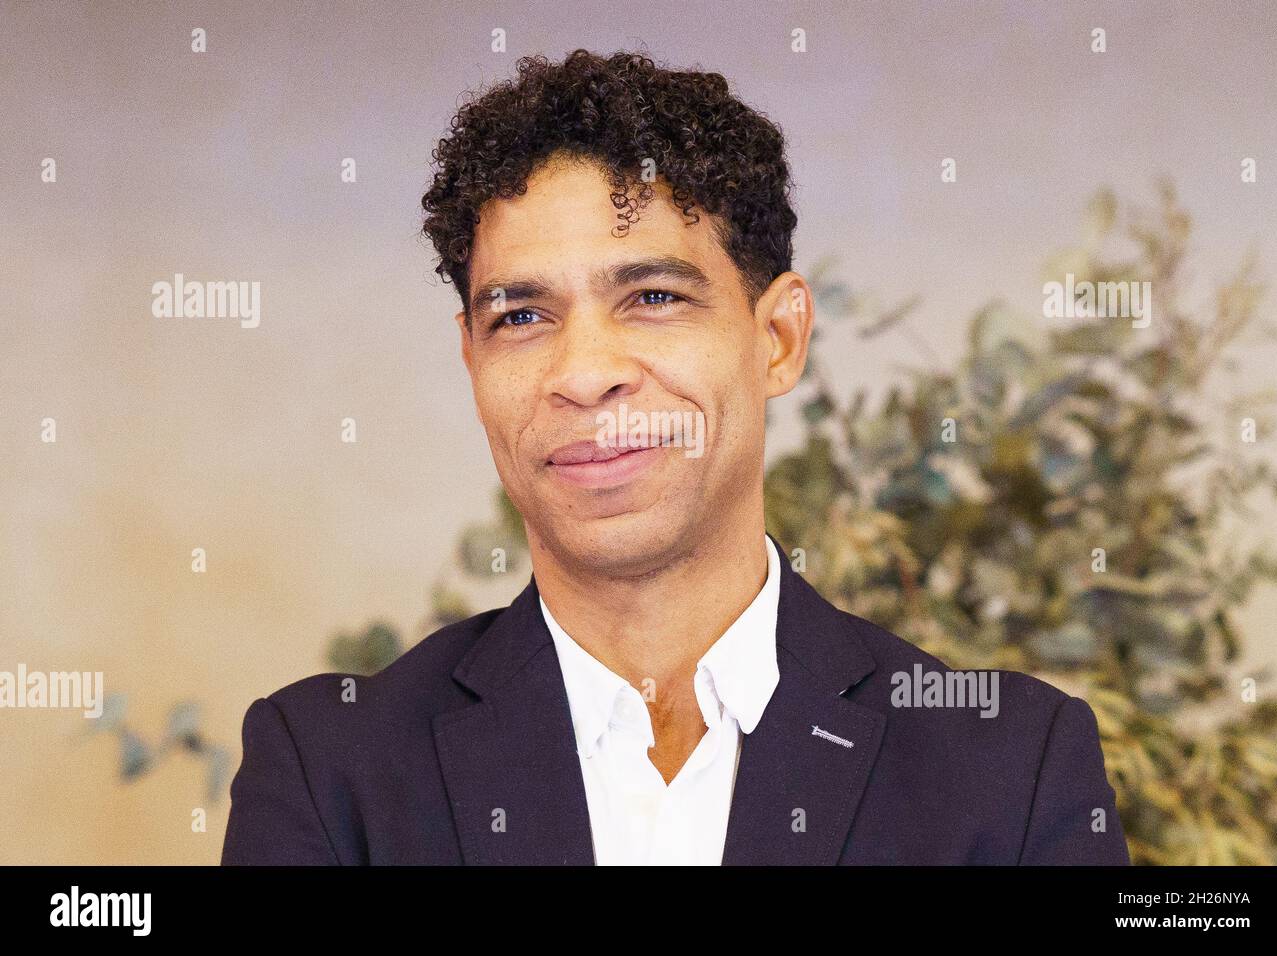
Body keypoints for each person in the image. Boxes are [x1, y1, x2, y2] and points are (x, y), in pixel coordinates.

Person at [221, 49, 1129, 865]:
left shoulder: (1009, 771)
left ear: (777, 338)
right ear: (473, 359)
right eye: (522, 317)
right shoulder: (331, 773)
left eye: (652, 295)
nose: (583, 375)